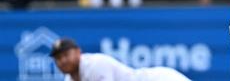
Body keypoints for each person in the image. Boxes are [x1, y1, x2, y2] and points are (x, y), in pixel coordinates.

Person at [50, 38, 190, 81]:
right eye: (58, 58)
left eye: (66, 55)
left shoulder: (95, 65)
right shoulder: (69, 79)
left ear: (79, 52)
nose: (62, 61)